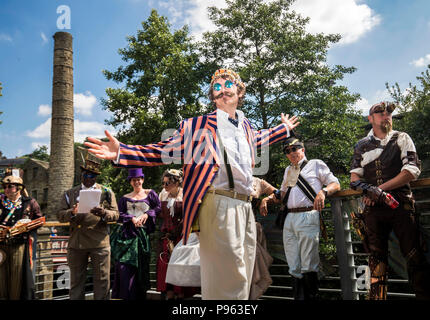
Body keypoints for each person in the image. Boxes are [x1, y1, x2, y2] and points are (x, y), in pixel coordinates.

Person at [84, 68, 299, 300]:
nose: (222, 89)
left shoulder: (245, 127)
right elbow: (163, 150)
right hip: (218, 203)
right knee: (229, 278)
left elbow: (262, 137)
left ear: (239, 90)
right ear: (212, 95)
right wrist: (123, 152)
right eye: (216, 87)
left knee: (244, 274)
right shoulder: (197, 126)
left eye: (228, 84)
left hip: (245, 207)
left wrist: (284, 129)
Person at [350, 101, 430, 300]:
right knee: (376, 262)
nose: (386, 116)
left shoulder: (401, 138)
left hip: (401, 205)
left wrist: (378, 190)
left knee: (414, 256)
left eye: (388, 113)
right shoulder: (361, 145)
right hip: (374, 210)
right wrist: (370, 192)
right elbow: (354, 180)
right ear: (370, 118)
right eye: (380, 113)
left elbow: (411, 171)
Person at [260, 136, 340, 300]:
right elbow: (282, 195)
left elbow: (335, 184)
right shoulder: (288, 170)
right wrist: (267, 198)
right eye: (287, 151)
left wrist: (323, 192)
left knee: (309, 263)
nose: (291, 153)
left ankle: (311, 297)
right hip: (289, 218)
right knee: (293, 265)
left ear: (302, 149)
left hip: (308, 214)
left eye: (294, 149)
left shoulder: (315, 164)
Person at [57, 159, 119, 300]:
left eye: (92, 176)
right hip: (77, 242)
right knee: (76, 281)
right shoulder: (69, 193)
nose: (89, 178)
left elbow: (116, 214)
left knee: (102, 281)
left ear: (96, 177)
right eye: (86, 175)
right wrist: (72, 212)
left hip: (100, 242)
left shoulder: (106, 192)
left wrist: (104, 213)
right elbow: (60, 215)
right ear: (81, 175)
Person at [110, 168, 160, 300]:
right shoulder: (125, 198)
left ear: (142, 179)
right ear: (130, 182)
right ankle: (126, 296)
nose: (136, 182)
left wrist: (147, 214)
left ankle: (139, 296)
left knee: (141, 267)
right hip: (127, 235)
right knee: (124, 266)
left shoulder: (150, 194)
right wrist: (131, 218)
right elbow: (119, 214)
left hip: (142, 236)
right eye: (134, 180)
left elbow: (158, 208)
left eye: (138, 179)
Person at [156, 168, 199, 300]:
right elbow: (160, 214)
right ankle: (169, 295)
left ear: (177, 182)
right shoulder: (163, 194)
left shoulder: (185, 194)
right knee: (166, 267)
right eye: (163, 183)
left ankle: (181, 296)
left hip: (181, 236)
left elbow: (190, 215)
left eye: (168, 183)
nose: (165, 186)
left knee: (179, 267)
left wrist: (178, 230)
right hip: (166, 236)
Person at [0, 174, 43, 300]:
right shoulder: (0, 202)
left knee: (17, 278)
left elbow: (39, 220)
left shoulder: (29, 202)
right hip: (1, 246)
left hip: (19, 245)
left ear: (19, 188)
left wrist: (25, 228)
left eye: (10, 186)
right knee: (1, 279)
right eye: (4, 187)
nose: (6, 189)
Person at [249, 177, 277, 300]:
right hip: (230, 228)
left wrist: (265, 199)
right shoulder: (227, 177)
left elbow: (278, 193)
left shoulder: (257, 182)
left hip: (251, 229)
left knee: (252, 268)